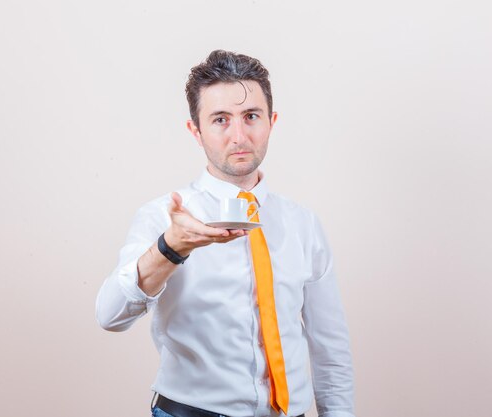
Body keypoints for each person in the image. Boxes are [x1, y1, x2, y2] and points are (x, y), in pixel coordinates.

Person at [96, 50, 354, 417]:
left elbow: (330, 347)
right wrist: (170, 249)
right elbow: (110, 316)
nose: (239, 135)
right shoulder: (164, 218)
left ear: (271, 122)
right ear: (196, 131)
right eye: (220, 120)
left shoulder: (304, 224)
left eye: (251, 116)